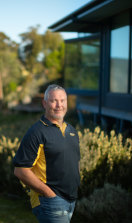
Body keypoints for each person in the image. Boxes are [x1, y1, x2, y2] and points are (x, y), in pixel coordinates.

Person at [13, 84, 81, 223]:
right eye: (53, 100)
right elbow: (20, 170)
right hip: (50, 202)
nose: (59, 105)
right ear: (44, 103)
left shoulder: (72, 131)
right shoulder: (36, 132)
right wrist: (49, 194)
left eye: (62, 100)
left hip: (71, 200)